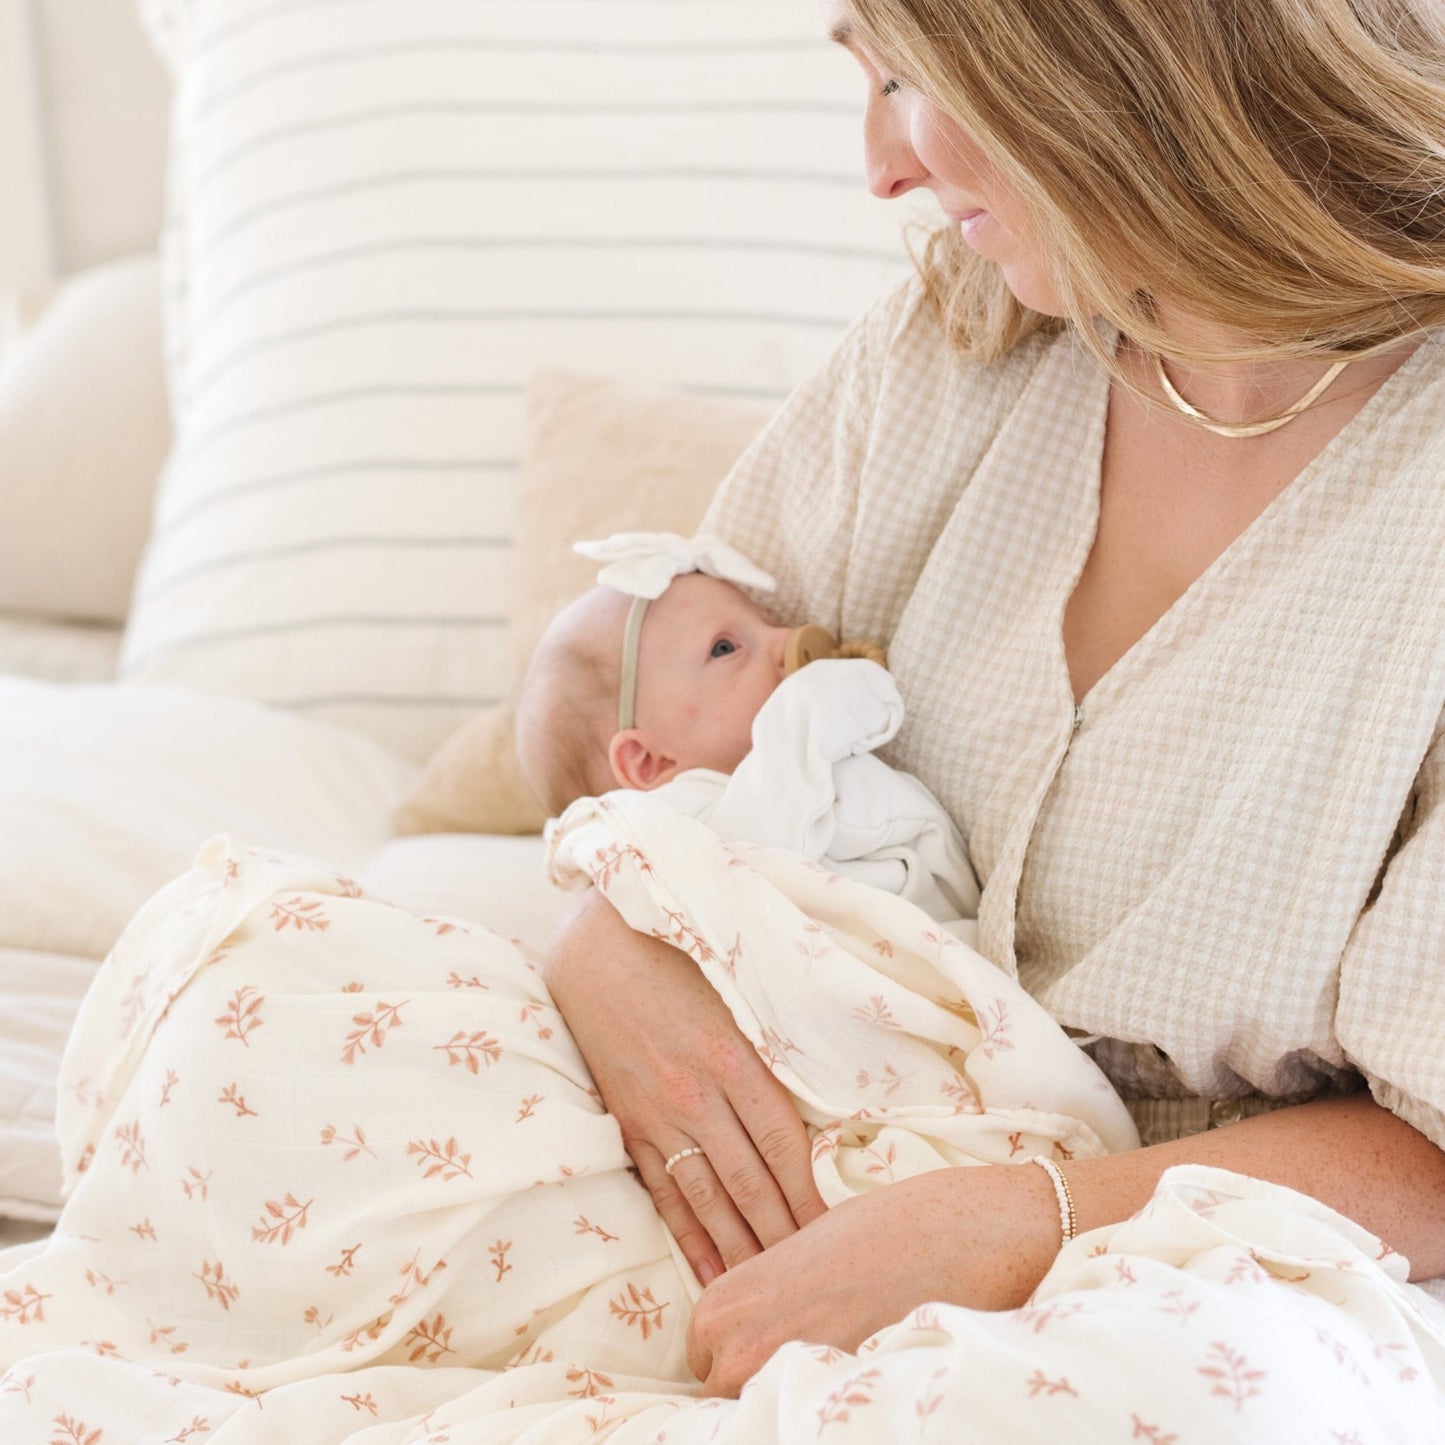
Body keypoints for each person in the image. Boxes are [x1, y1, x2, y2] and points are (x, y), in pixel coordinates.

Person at [540, 0, 1445, 1399]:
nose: (880, 169)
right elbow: (667, 723)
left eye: (909, 75)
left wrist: (1016, 1222)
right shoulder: (955, 340)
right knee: (248, 984)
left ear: (1104, 47)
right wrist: (609, 943)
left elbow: (1434, 1155)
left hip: (1226, 1264)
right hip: (821, 1156)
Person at [515, 531, 979, 926]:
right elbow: (754, 872)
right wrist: (827, 698)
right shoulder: (678, 822)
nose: (788, 639)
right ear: (650, 761)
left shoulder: (787, 767)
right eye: (725, 648)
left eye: (770, 623)